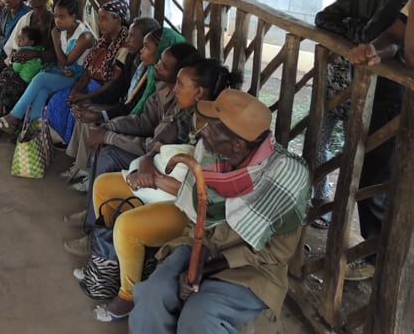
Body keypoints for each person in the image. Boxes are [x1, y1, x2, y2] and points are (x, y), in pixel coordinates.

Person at [128, 90, 311, 333]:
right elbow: (197, 224)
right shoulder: (209, 153)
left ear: (238, 144)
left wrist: (209, 267)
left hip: (253, 268)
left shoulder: (287, 178)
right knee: (153, 294)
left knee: (199, 316)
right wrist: (199, 257)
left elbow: (276, 255)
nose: (204, 131)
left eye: (213, 127)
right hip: (199, 245)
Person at [88, 59, 243, 322]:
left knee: (127, 225)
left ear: (200, 92)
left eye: (181, 84)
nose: (174, 90)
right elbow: (158, 144)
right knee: (104, 186)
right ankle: (112, 266)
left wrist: (153, 179)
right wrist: (147, 163)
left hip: (191, 210)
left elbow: (200, 193)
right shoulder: (188, 115)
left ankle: (126, 296)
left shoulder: (218, 133)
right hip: (164, 185)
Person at [314, 0, 414, 279]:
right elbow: (326, 18)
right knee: (363, 166)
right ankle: (371, 256)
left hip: (391, 92)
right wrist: (367, 37)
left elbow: (379, 32)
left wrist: (364, 35)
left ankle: (378, 263)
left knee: (378, 174)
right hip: (368, 86)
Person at [62, 40, 200, 247]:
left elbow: (152, 146)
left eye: (164, 65)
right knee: (102, 143)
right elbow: (143, 121)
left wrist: (108, 136)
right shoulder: (163, 92)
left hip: (161, 167)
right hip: (150, 158)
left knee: (108, 153)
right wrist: (107, 125)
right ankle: (93, 212)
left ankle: (96, 234)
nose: (157, 66)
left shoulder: (184, 112)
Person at [64, 17, 160, 181]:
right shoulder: (133, 58)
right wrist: (89, 100)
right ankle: (80, 166)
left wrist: (99, 115)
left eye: (132, 37)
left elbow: (134, 108)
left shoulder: (153, 74)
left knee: (91, 120)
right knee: (86, 112)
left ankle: (88, 171)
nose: (127, 41)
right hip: (124, 106)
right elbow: (118, 88)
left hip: (134, 115)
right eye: (127, 35)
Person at [0, 0, 95, 135]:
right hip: (61, 72)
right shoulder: (61, 31)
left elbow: (66, 61)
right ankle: (33, 130)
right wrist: (61, 61)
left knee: (41, 78)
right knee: (41, 91)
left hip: (75, 78)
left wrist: (55, 40)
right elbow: (60, 62)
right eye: (56, 16)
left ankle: (13, 118)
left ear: (73, 16)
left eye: (62, 17)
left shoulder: (84, 36)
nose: (57, 21)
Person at [311, 0, 360, 229]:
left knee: (354, 154)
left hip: (358, 90)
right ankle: (322, 200)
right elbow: (327, 20)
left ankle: (342, 211)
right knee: (319, 142)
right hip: (334, 84)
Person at [45, 0, 131, 145]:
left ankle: (70, 143)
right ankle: (62, 141)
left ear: (118, 20)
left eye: (104, 19)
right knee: (58, 99)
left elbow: (113, 82)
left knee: (77, 107)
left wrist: (85, 97)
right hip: (89, 85)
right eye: (99, 18)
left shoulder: (124, 46)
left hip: (103, 91)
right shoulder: (104, 41)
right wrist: (76, 90)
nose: (100, 23)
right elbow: (87, 72)